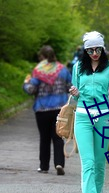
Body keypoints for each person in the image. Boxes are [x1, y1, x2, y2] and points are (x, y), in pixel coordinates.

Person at [69, 31, 109, 193]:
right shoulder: (77, 68)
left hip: (103, 118)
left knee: (100, 163)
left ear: (103, 48)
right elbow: (75, 97)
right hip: (82, 117)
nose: (94, 53)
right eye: (90, 50)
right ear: (85, 50)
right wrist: (74, 92)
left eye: (98, 49)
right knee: (88, 162)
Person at [23, 45, 72, 175]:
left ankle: (44, 166)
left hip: (42, 109)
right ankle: (59, 163)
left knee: (44, 138)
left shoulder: (38, 71)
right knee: (58, 137)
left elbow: (31, 90)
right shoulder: (63, 69)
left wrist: (26, 83)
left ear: (42, 57)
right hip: (59, 109)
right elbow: (70, 87)